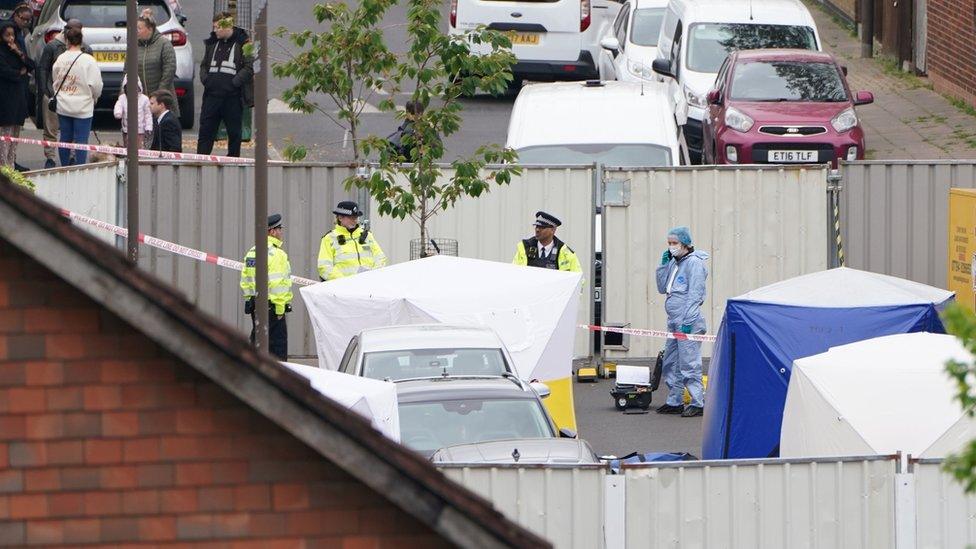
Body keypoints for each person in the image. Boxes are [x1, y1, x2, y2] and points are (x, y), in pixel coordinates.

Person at [655, 226, 708, 418]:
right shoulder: (674, 262)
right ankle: (674, 400)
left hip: (688, 321)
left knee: (689, 363)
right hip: (674, 321)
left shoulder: (694, 263)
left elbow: (696, 293)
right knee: (671, 362)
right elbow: (662, 288)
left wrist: (689, 319)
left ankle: (698, 402)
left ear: (685, 243)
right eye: (669, 243)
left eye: (674, 243)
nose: (671, 247)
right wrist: (662, 266)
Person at [197, 11, 253, 157]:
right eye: (214, 27)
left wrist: (234, 83)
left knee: (234, 134)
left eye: (217, 27)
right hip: (211, 97)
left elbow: (249, 67)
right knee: (205, 132)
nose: (214, 30)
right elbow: (203, 65)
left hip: (232, 98)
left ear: (228, 26)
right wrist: (206, 80)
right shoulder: (212, 42)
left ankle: (233, 163)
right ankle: (201, 161)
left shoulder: (244, 42)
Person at [37, 19, 91, 169]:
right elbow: (43, 69)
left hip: (75, 97)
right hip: (53, 95)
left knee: (71, 131)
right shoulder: (52, 46)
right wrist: (45, 91)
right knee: (51, 128)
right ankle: (50, 157)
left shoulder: (86, 48)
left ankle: (72, 156)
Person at [240, 214, 293, 360]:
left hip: (256, 306)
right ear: (272, 231)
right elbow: (278, 284)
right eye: (279, 229)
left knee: (257, 345)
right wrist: (280, 309)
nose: (281, 232)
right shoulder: (277, 254)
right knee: (277, 351)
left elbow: (245, 279)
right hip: (273, 308)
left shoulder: (252, 252)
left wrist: (250, 300)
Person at [52, 27, 101, 166]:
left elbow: (55, 80)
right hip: (83, 106)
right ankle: (80, 168)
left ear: (66, 40)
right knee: (81, 140)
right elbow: (96, 85)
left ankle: (64, 167)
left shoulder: (60, 59)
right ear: (81, 41)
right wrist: (94, 97)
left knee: (65, 138)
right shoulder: (89, 60)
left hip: (64, 104)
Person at [317, 201, 387, 281]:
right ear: (340, 218)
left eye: (356, 217)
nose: (355, 220)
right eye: (351, 218)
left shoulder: (367, 235)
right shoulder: (329, 238)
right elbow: (324, 267)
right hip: (343, 289)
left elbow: (380, 258)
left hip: (368, 285)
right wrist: (344, 281)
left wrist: (372, 276)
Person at [0, 21, 33, 168]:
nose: (11, 39)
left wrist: (18, 52)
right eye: (7, 35)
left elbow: (31, 65)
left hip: (18, 96)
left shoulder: (16, 50)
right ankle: (3, 166)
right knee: (5, 134)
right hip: (5, 97)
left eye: (12, 35)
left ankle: (11, 163)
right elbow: (4, 71)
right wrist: (19, 73)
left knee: (15, 133)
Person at [137, 9, 178, 120]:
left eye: (139, 28)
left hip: (161, 102)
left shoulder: (164, 43)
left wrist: (158, 95)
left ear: (150, 29)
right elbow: (127, 71)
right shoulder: (134, 46)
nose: (137, 31)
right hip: (141, 102)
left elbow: (169, 69)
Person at [512, 211, 582, 272]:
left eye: (542, 227)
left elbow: (578, 279)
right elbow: (514, 273)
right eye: (536, 226)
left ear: (553, 230)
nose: (537, 230)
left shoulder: (565, 253)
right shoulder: (525, 248)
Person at [113, 74, 153, 149]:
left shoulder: (144, 99)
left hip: (140, 130)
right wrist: (118, 112)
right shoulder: (122, 98)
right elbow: (118, 105)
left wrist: (148, 127)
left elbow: (148, 114)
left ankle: (138, 159)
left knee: (139, 147)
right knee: (127, 146)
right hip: (126, 129)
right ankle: (128, 158)